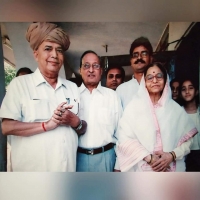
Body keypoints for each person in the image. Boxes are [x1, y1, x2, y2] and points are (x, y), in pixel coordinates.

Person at [0, 22, 87, 172]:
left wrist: (75, 121)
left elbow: (83, 127)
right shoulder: (20, 84)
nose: (54, 55)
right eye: (48, 49)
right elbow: (6, 127)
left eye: (59, 50)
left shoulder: (72, 87)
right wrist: (47, 125)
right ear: (36, 54)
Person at [116, 62, 197, 172]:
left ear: (165, 80)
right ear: (144, 82)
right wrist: (149, 158)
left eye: (159, 76)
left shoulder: (175, 110)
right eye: (150, 77)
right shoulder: (133, 109)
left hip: (171, 170)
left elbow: (188, 141)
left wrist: (171, 155)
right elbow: (124, 139)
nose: (155, 80)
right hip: (141, 170)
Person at [76, 50, 122, 172]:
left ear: (101, 71)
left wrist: (119, 164)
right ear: (80, 70)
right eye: (86, 66)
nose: (91, 70)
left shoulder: (112, 96)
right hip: (77, 159)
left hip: (107, 157)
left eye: (95, 66)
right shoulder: (72, 95)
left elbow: (121, 132)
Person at [116, 36, 153, 109]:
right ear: (131, 61)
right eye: (135, 55)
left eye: (144, 54)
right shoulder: (121, 90)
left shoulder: (158, 85)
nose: (139, 58)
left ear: (151, 58)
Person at [180, 77, 200, 171]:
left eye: (190, 88)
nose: (187, 91)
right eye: (183, 89)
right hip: (186, 156)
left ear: (196, 91)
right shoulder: (178, 112)